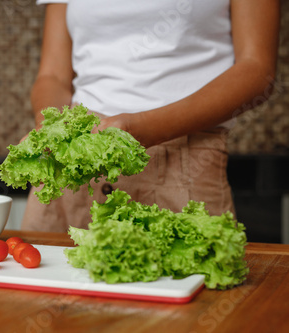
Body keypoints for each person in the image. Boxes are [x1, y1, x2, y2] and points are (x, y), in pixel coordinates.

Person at [20, 0, 280, 232]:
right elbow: (53, 75)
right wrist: (52, 131)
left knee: (191, 285)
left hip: (184, 160)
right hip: (73, 170)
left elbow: (257, 70)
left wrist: (145, 129)